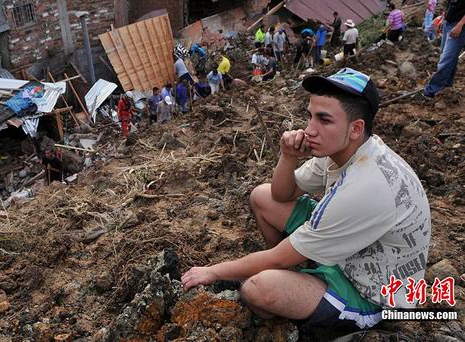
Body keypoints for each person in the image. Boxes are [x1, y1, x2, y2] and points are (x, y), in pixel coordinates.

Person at [182, 68, 431, 330]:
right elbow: (281, 194)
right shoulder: (344, 150)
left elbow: (277, 258)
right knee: (262, 197)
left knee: (258, 288)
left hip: (372, 294)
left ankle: (302, 317)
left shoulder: (366, 185)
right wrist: (288, 156)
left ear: (356, 128)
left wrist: (212, 271)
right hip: (347, 254)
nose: (310, 129)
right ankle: (299, 272)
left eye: (324, 120)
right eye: (310, 116)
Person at [423, 0, 465, 99]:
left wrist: (460, 25)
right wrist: (443, 18)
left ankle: (431, 90)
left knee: (447, 59)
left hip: (459, 26)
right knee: (448, 57)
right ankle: (446, 86)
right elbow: (450, 4)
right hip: (448, 22)